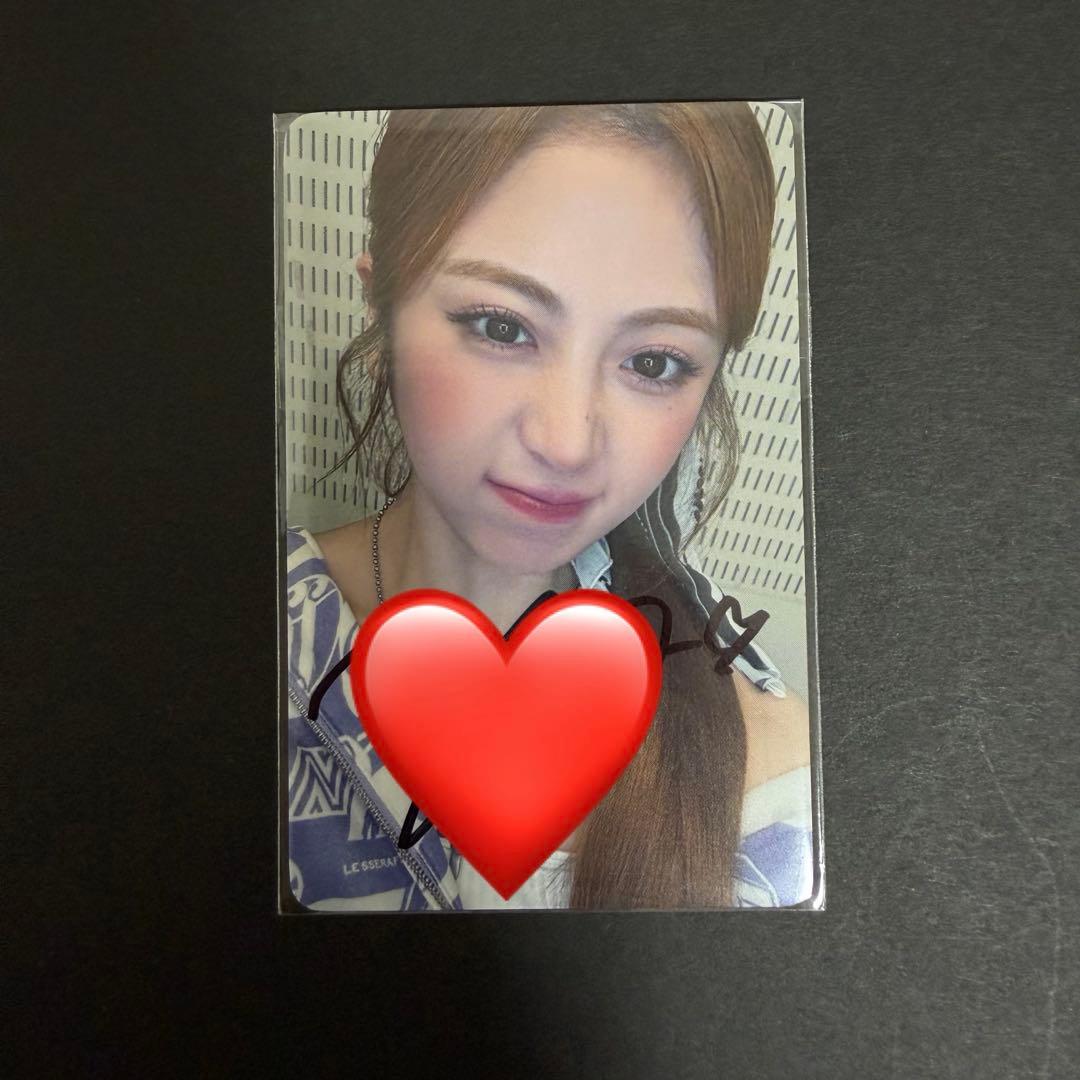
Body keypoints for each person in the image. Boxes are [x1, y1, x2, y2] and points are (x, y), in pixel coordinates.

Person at [285, 102, 813, 912]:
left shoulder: (774, 785)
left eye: (654, 362)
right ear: (380, 313)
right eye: (501, 326)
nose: (566, 443)